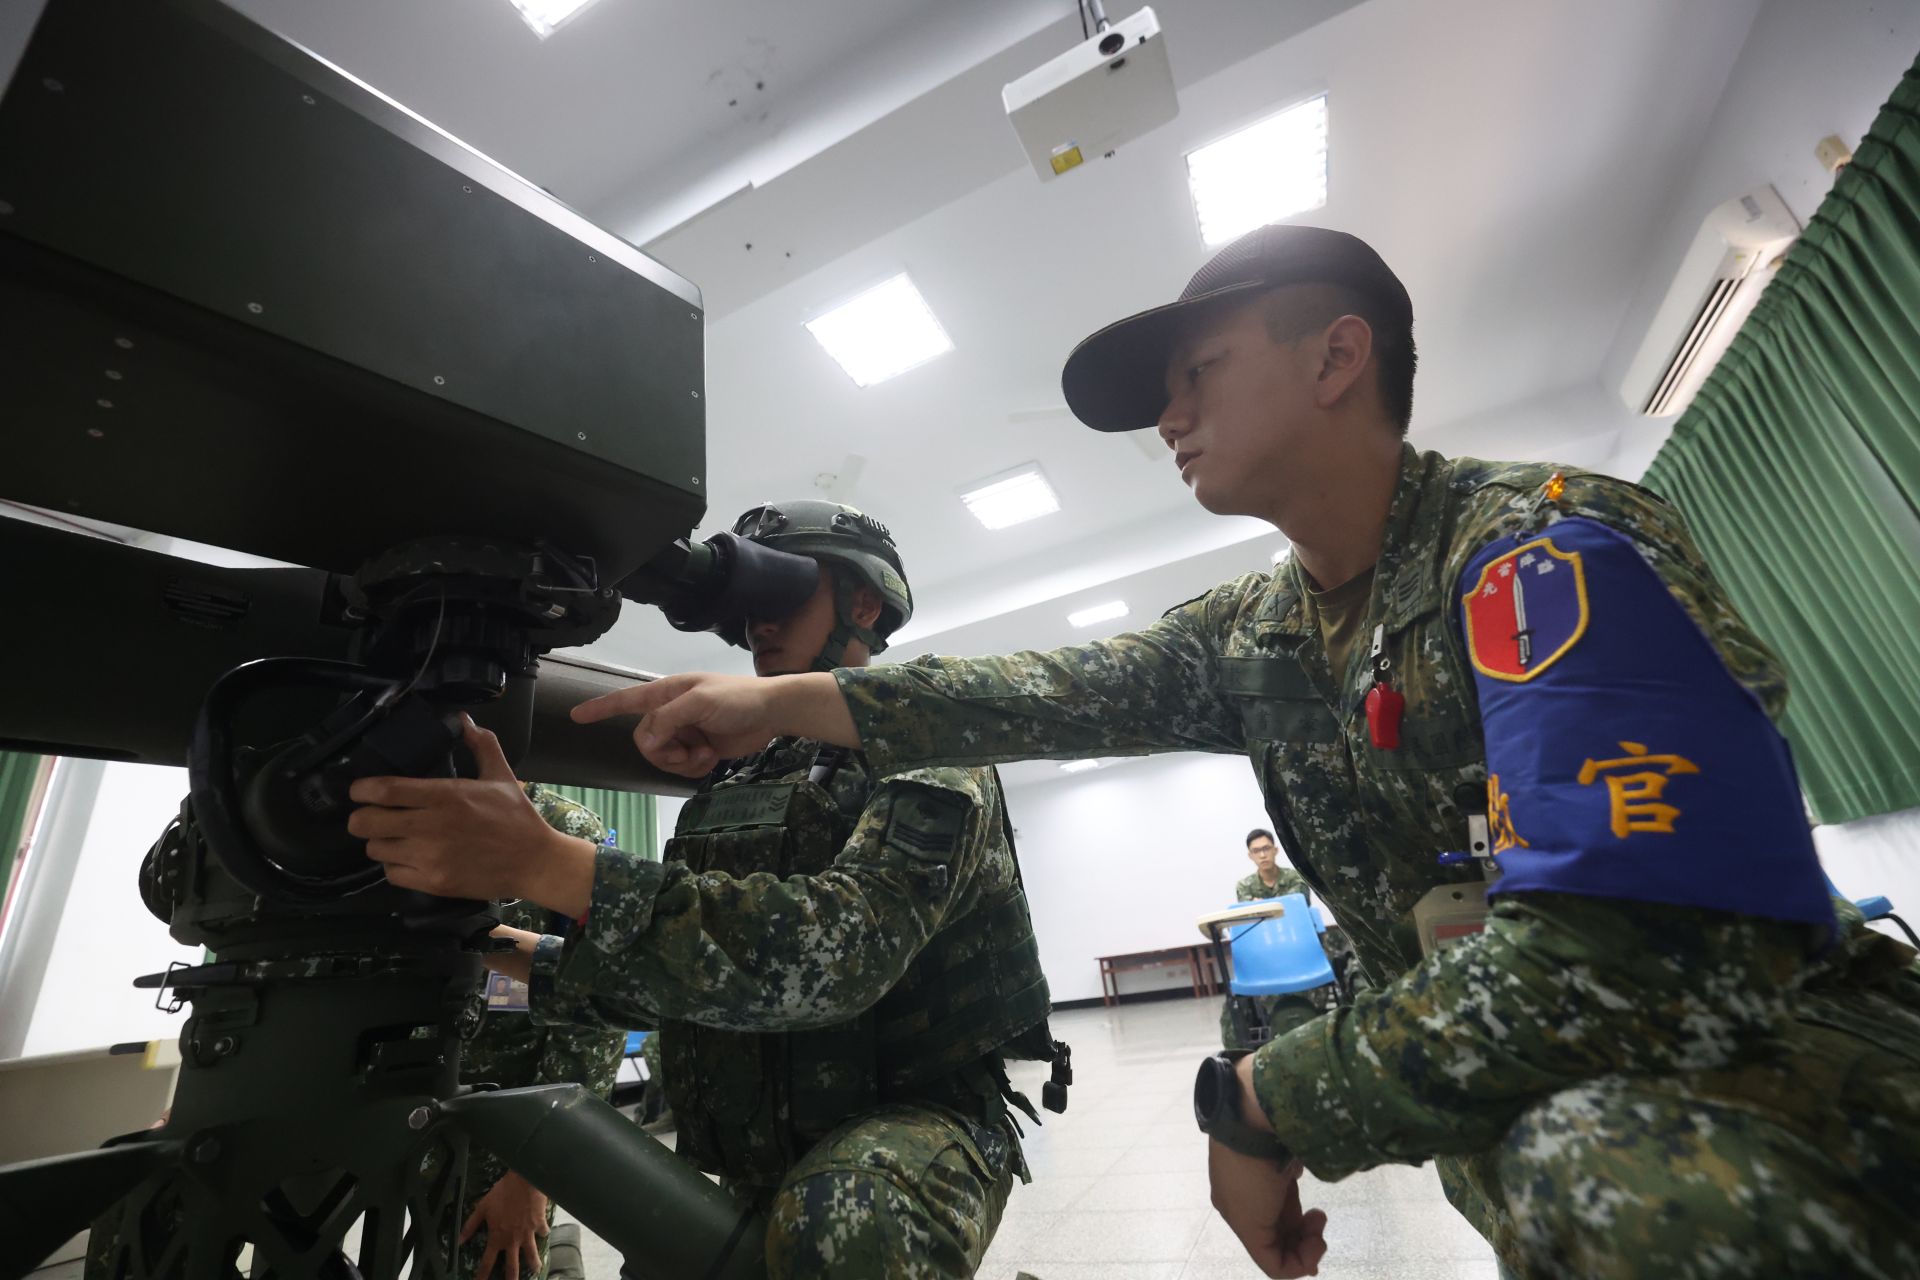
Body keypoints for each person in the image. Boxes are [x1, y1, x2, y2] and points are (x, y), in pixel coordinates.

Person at [576, 226, 1920, 1278]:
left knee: (1603, 1177)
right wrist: (775, 703)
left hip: (1771, 1111)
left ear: (1338, 359)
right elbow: (1044, 691)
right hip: (1546, 1122)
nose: (1168, 418)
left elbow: (1622, 958)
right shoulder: (1264, 627)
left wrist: (1259, 1100)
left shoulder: (1540, 551)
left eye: (1197, 376)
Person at [347, 500, 1065, 1280]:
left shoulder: (930, 748)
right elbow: (696, 976)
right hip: (761, 1143)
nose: (760, 620)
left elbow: (840, 956)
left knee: (844, 1225)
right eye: (749, 601)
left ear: (864, 604)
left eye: (786, 591)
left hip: (915, 1119)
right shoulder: (740, 779)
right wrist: (499, 944)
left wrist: (545, 861)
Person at [453, 786, 626, 1280]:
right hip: (393, 1113)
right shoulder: (387, 822)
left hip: (506, 1136)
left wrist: (535, 1173)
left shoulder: (563, 829)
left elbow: (595, 1013)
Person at [1221, 828, 1318, 1050]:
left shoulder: (1295, 877)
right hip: (1264, 955)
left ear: (1275, 850)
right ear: (1250, 856)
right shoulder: (1244, 886)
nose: (1262, 855)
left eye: (1266, 849)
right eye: (1256, 851)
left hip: (1298, 950)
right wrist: (1280, 906)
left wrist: (1262, 906)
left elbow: (1298, 908)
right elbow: (1251, 921)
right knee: (1235, 1001)